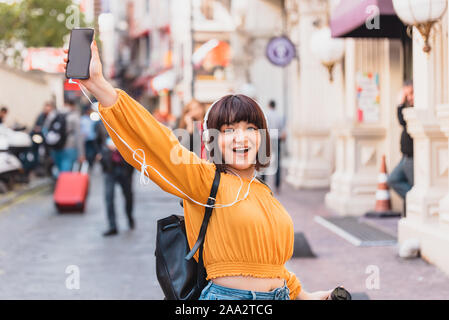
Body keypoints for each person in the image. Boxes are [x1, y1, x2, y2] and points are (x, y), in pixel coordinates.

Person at [63, 41, 334, 300]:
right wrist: (98, 85)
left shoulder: (263, 192)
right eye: (229, 131)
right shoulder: (203, 180)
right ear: (214, 139)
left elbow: (270, 265)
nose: (242, 138)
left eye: (250, 129)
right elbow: (155, 139)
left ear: (262, 136)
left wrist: (305, 295)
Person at [98, 125, 135, 237]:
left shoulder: (125, 123)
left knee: (128, 196)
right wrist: (100, 154)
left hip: (125, 167)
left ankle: (129, 217)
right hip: (109, 167)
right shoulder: (100, 126)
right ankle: (112, 226)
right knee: (109, 197)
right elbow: (96, 141)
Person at [387, 81, 414, 214]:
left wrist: (400, 104)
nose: (409, 97)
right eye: (406, 94)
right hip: (405, 157)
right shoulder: (408, 108)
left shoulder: (415, 109)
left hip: (412, 158)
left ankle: (414, 204)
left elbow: (402, 121)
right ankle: (413, 201)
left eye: (411, 93)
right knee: (393, 179)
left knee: (415, 187)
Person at [45, 100, 85, 178]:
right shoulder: (74, 116)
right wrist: (81, 154)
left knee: (58, 168)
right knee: (66, 170)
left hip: (55, 145)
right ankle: (64, 187)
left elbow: (46, 129)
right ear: (73, 106)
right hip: (70, 146)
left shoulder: (53, 114)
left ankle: (58, 184)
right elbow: (78, 136)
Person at [260, 100, 286, 193]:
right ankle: (277, 185)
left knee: (264, 161)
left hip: (267, 139)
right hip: (276, 139)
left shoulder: (266, 115)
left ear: (268, 105)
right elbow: (283, 130)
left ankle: (263, 183)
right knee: (277, 162)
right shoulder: (279, 116)